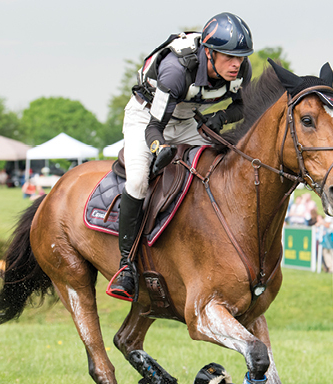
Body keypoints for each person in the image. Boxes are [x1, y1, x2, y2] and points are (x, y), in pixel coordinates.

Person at [107, 13, 254, 301]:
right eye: (229, 57)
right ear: (209, 53)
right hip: (146, 117)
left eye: (241, 57)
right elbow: (154, 127)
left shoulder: (241, 69)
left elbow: (242, 107)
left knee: (219, 164)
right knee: (138, 181)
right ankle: (125, 266)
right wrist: (159, 149)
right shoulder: (177, 70)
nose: (236, 64)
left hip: (186, 119)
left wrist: (220, 117)